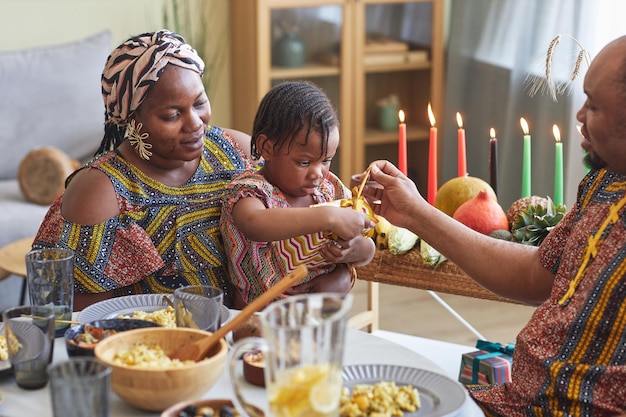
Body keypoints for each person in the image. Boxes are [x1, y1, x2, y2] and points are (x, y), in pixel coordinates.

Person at [361, 35, 626, 417]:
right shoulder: (602, 182)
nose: (580, 116)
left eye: (595, 106)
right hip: (515, 400)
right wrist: (416, 213)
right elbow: (535, 274)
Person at [33, 30, 254, 311]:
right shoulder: (101, 192)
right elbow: (85, 322)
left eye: (199, 103)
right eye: (172, 115)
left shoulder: (237, 154)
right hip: (144, 346)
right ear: (131, 119)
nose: (195, 123)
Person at [220, 81, 376, 308]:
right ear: (267, 148)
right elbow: (255, 223)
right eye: (304, 162)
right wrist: (329, 218)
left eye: (326, 160)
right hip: (258, 323)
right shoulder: (250, 191)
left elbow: (367, 252)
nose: (317, 173)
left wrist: (353, 252)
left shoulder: (329, 190)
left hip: (319, 321)